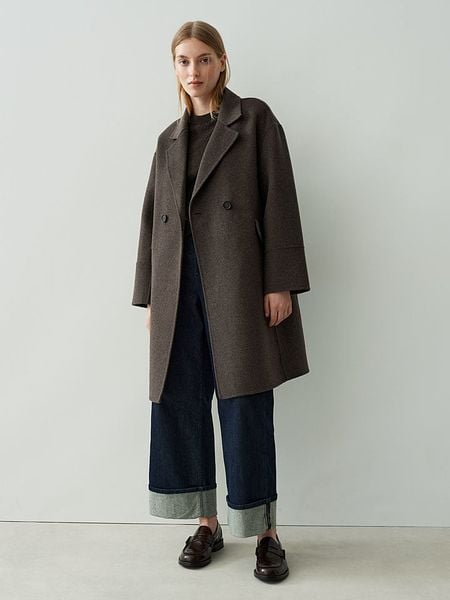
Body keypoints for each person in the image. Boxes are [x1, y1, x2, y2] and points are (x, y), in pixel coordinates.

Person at [132, 20, 311, 583]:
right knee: (181, 401)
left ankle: (265, 533)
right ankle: (205, 523)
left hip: (237, 283)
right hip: (178, 287)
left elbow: (279, 199)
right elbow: (151, 223)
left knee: (245, 404)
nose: (194, 71)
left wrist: (279, 281)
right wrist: (151, 298)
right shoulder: (168, 140)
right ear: (175, 68)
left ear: (222, 62)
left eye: (204, 59)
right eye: (184, 61)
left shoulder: (252, 119)